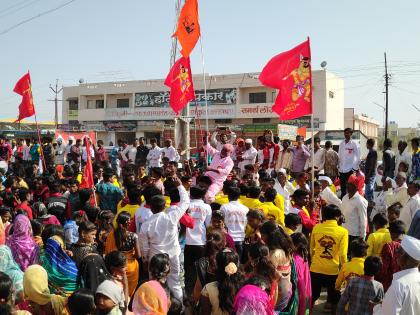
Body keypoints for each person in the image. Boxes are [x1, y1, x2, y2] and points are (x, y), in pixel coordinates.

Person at [139, 177, 189, 301]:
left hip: (155, 258)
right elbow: (185, 202)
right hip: (172, 255)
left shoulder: (146, 225)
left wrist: (145, 260)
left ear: (150, 208)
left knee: (155, 285)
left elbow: (144, 247)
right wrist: (180, 186)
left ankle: (157, 306)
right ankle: (179, 308)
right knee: (175, 283)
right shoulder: (171, 217)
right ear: (164, 206)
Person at [310, 205, 348, 314]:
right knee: (334, 298)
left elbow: (311, 249)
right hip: (333, 270)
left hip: (316, 267)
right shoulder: (343, 231)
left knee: (313, 295)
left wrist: (313, 261)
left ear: (324, 216)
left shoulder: (316, 227)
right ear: (337, 217)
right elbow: (343, 255)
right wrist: (344, 270)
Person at [374, 235, 420, 315]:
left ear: (406, 258)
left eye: (399, 251)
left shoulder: (399, 285)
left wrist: (376, 308)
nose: (396, 252)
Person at [184, 186, 212, 295]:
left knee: (187, 268)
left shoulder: (186, 206)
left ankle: (188, 290)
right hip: (201, 240)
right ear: (203, 195)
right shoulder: (207, 207)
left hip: (187, 241)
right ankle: (198, 290)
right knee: (200, 268)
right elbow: (208, 224)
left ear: (190, 194)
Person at [105, 211, 140, 297]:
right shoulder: (133, 236)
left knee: (119, 289)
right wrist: (131, 255)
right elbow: (138, 255)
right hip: (131, 267)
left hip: (116, 266)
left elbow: (108, 253)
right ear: (128, 223)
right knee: (129, 293)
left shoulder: (110, 235)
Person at [199, 249, 243, 315]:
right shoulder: (244, 287)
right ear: (237, 265)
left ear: (217, 266)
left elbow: (205, 312)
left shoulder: (208, 289)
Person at [203, 135, 235, 203]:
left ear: (230, 153)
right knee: (197, 190)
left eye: (226, 151)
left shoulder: (230, 162)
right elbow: (207, 146)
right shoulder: (216, 153)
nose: (223, 152)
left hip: (217, 181)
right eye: (223, 149)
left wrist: (211, 169)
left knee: (209, 196)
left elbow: (226, 172)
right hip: (207, 177)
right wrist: (206, 137)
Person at [376, 220, 406, 291]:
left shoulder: (389, 246)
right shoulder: (409, 246)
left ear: (393, 234)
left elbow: (383, 269)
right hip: (405, 285)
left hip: (389, 284)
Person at [220, 187, 249, 259]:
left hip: (228, 239)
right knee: (237, 261)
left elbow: (220, 221)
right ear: (239, 196)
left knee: (227, 261)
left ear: (228, 195)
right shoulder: (245, 208)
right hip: (240, 238)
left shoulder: (224, 207)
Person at [341, 175, 368, 242]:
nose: (347, 186)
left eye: (350, 184)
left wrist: (362, 237)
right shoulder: (344, 198)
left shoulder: (360, 201)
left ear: (355, 187)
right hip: (344, 232)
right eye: (347, 183)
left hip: (354, 235)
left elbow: (363, 219)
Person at [291, 232, 312, 315]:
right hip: (306, 292)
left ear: (297, 245)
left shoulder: (295, 259)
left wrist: (302, 298)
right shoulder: (303, 255)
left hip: (301, 294)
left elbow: (300, 281)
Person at [338, 128, 360, 197]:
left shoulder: (354, 144)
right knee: (343, 189)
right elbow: (339, 155)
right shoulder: (341, 143)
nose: (346, 134)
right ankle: (343, 203)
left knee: (351, 188)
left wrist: (354, 168)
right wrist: (339, 166)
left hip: (350, 170)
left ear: (351, 134)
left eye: (347, 133)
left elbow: (358, 156)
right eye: (345, 133)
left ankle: (351, 203)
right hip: (342, 170)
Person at [365, 138, 378, 203]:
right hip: (369, 175)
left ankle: (371, 208)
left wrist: (367, 176)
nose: (366, 145)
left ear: (368, 144)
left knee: (368, 193)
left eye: (366, 144)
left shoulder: (373, 152)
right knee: (369, 192)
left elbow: (372, 165)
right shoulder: (371, 152)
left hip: (370, 175)